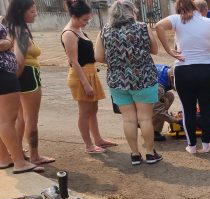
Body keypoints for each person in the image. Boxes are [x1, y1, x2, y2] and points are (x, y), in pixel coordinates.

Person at [95, 0, 162, 165]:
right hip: (144, 78)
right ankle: (150, 153)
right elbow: (154, 50)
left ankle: (134, 154)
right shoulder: (142, 27)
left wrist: (118, 62)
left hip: (118, 80)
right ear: (132, 12)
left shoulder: (105, 31)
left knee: (129, 119)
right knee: (145, 118)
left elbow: (98, 57)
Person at [156, 0, 210, 154]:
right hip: (207, 69)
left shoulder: (176, 19)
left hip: (183, 70)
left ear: (179, 8)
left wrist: (169, 51)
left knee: (188, 110)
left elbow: (158, 26)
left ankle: (191, 146)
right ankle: (206, 144)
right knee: (207, 109)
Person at [61, 0, 117, 154]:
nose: (86, 23)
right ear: (74, 16)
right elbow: (73, 61)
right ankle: (89, 145)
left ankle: (98, 139)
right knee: (84, 112)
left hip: (91, 72)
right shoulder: (69, 33)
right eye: (84, 20)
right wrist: (85, 84)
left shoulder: (78, 30)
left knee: (93, 110)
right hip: (81, 76)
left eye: (88, 19)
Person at [4, 0, 55, 165]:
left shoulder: (10, 27)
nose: (36, 14)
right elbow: (19, 60)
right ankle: (34, 155)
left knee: (20, 119)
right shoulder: (21, 32)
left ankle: (17, 153)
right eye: (32, 11)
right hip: (27, 77)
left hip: (17, 77)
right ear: (22, 11)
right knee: (31, 119)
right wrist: (15, 82)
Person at [0, 21, 44, 174]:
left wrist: (6, 42)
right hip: (4, 75)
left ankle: (5, 158)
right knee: (8, 121)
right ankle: (19, 161)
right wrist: (6, 43)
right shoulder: (17, 28)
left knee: (5, 120)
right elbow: (5, 43)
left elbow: (6, 42)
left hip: (6, 74)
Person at [153, 64, 177, 141]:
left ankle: (151, 127)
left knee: (169, 96)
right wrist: (177, 121)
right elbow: (157, 110)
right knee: (164, 102)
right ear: (172, 77)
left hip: (140, 96)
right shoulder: (159, 87)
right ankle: (153, 131)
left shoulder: (167, 70)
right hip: (136, 104)